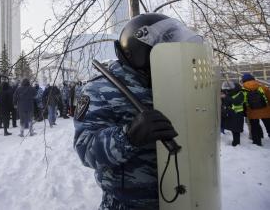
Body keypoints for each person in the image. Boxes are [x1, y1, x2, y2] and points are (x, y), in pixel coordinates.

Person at [74, 13, 201, 209]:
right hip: (128, 204)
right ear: (140, 51)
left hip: (181, 196)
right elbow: (85, 149)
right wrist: (128, 136)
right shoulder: (99, 89)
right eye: (165, 49)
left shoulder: (171, 82)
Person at [241, 73, 270, 146]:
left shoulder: (242, 89)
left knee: (255, 128)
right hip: (266, 111)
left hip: (252, 112)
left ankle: (257, 142)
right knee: (269, 126)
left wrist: (245, 112)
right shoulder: (262, 87)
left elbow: (242, 102)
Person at [221, 81, 245, 146]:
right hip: (231, 114)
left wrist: (225, 97)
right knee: (233, 129)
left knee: (236, 130)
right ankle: (234, 143)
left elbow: (236, 102)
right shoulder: (229, 93)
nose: (227, 90)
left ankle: (236, 144)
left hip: (237, 115)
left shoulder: (240, 93)